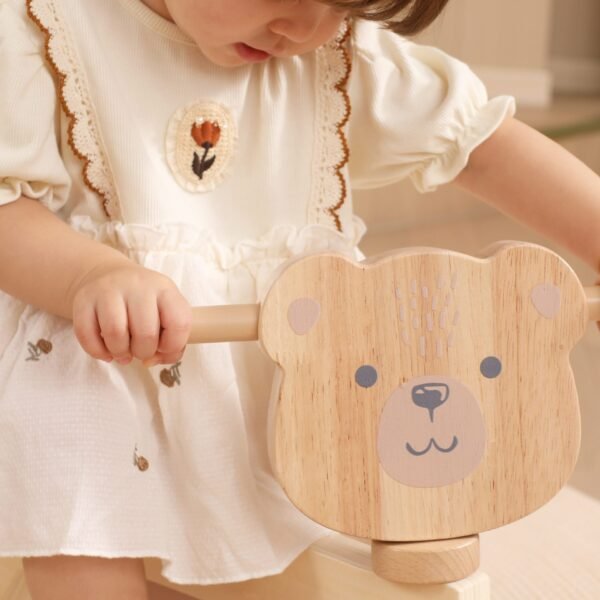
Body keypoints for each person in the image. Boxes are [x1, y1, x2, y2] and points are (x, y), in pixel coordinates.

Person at [1, 0, 599, 598]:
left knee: (357, 476)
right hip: (109, 357)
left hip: (287, 373)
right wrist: (90, 276)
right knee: (74, 489)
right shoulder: (44, 26)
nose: (306, 29)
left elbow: (484, 146)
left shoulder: (336, 56)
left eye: (342, 6)